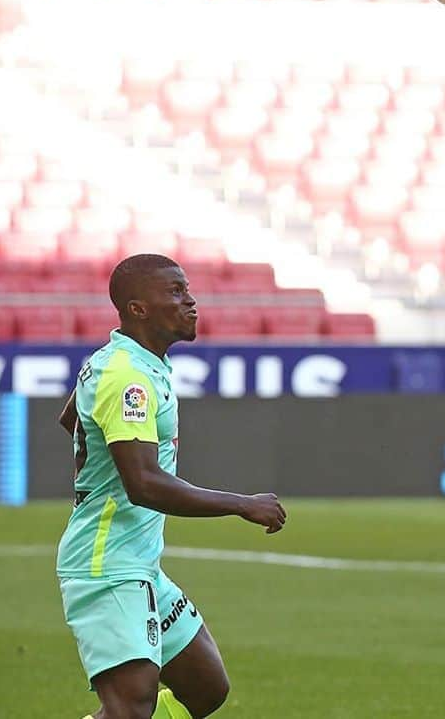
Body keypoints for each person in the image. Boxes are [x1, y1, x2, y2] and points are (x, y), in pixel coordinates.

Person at [55, 254, 287, 718]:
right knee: (130, 708)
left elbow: (71, 418)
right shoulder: (127, 375)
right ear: (138, 308)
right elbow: (143, 484)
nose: (190, 300)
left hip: (138, 563)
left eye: (187, 290)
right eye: (176, 292)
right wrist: (241, 504)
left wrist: (98, 454)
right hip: (107, 565)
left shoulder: (131, 363)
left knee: (205, 688)